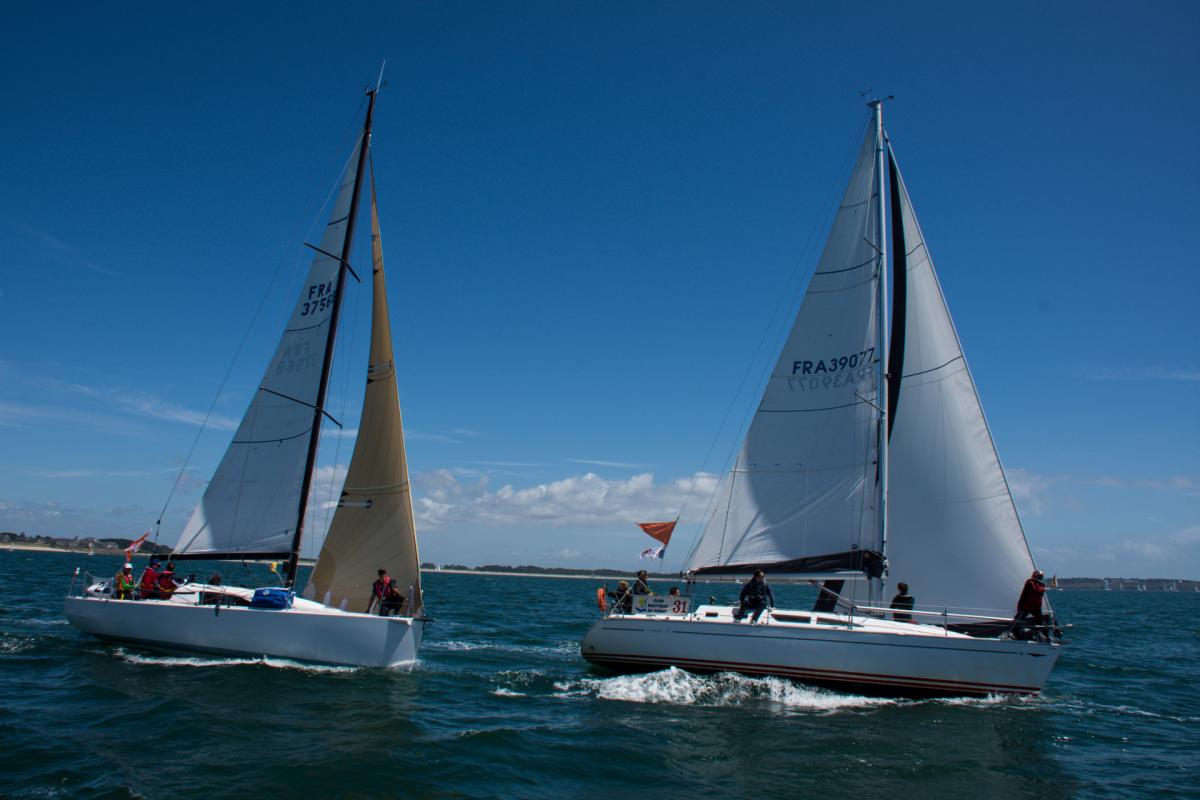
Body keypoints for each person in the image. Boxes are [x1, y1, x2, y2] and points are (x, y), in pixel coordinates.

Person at [1013, 569, 1049, 641]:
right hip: (1027, 606)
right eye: (1040, 576)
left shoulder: (1041, 584)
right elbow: (1031, 591)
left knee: (1041, 622)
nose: (1040, 578)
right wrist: (1020, 606)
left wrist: (1042, 586)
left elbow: (1039, 590)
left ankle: (1045, 636)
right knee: (1018, 619)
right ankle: (1015, 634)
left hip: (1036, 607)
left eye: (1041, 576)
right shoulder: (1030, 582)